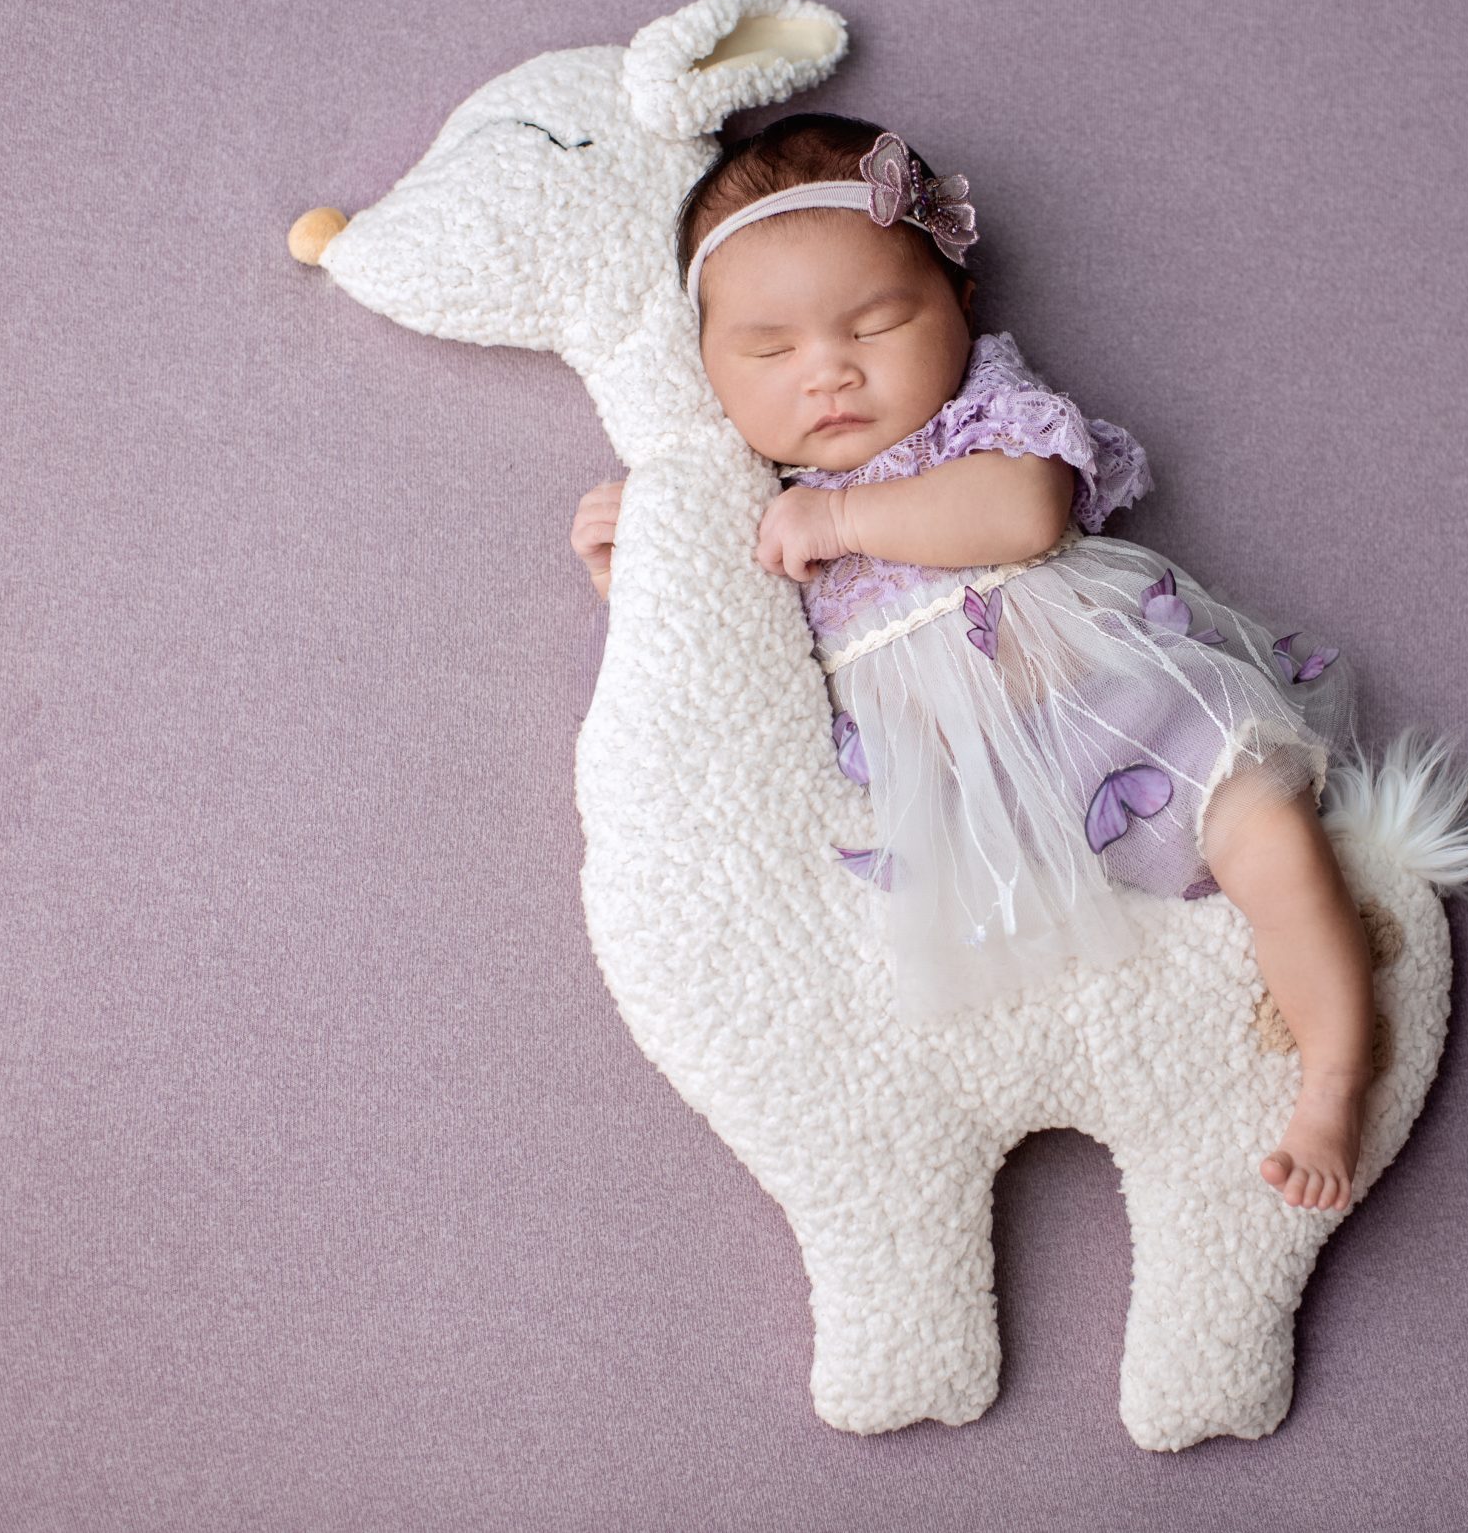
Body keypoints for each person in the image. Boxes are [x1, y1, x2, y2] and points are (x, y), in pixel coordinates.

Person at [569, 113, 1373, 1212]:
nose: (828, 372)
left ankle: (1334, 1074)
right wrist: (639, 570)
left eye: (877, 322)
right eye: (769, 350)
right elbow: (715, 663)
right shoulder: (746, 497)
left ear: (959, 302)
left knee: (1269, 838)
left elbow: (1025, 510)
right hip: (963, 805)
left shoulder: (977, 417)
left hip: (1122, 714)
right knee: (1004, 1002)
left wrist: (844, 518)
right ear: (706, 365)